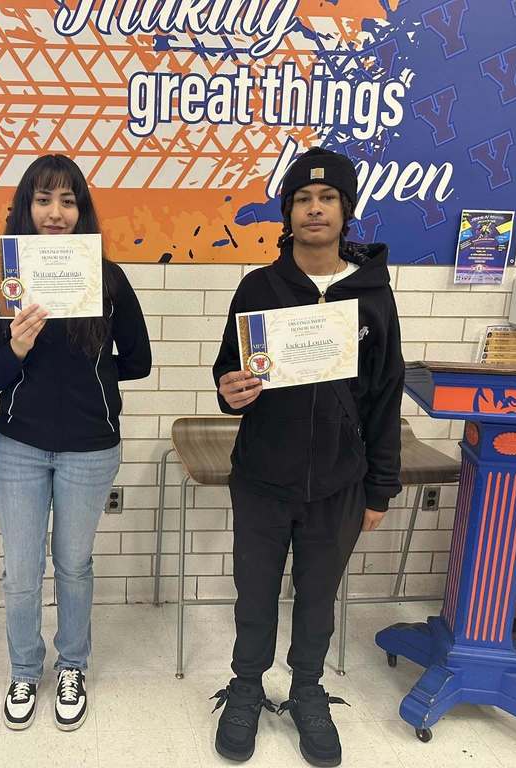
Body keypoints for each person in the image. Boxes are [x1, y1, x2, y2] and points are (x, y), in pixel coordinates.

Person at [210, 147, 404, 766]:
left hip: (339, 486)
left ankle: (307, 691)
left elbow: (384, 393)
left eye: (326, 199)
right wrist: (229, 392)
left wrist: (380, 488)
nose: (314, 209)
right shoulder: (259, 287)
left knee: (318, 596)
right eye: (301, 199)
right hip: (263, 477)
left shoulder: (371, 295)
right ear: (287, 212)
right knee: (255, 594)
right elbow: (229, 374)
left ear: (346, 211)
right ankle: (245, 688)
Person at [0, 154, 151, 731]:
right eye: (44, 200)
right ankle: (25, 668)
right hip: (19, 445)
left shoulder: (109, 276)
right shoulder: (3, 276)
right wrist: (19, 349)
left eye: (68, 201)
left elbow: (141, 361)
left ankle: (71, 664)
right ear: (26, 207)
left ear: (82, 211)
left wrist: (94, 370)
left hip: (90, 446)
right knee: (21, 569)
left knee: (73, 563)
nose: (56, 212)